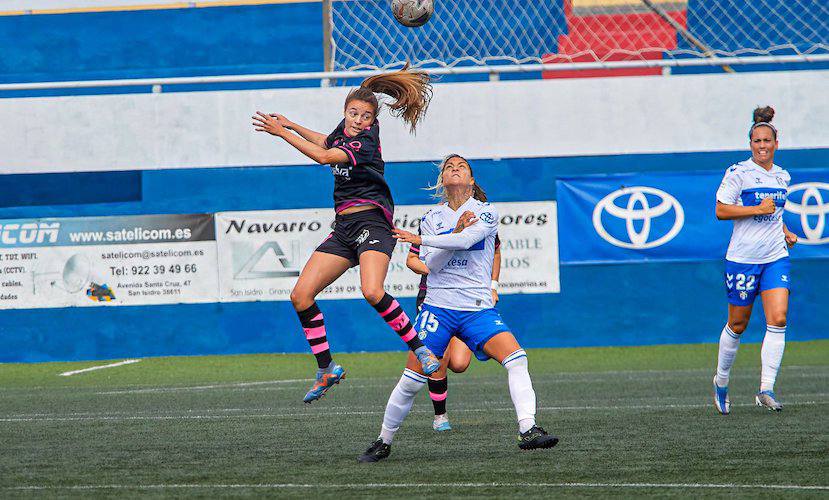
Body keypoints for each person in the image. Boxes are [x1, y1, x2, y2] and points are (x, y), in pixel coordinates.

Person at [251, 66, 440, 404]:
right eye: (353, 113)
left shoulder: (366, 141)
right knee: (301, 295)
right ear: (344, 112)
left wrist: (281, 133)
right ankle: (326, 369)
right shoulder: (344, 130)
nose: (357, 119)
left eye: (365, 116)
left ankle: (420, 349)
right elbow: (326, 141)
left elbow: (323, 156)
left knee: (371, 290)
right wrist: (291, 124)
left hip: (373, 222)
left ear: (372, 121)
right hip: (344, 230)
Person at [358, 154, 558, 462]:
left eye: (461, 166)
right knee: (412, 380)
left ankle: (528, 429)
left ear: (472, 180)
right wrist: (445, 235)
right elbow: (430, 265)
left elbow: (468, 241)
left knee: (516, 360)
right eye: (449, 167)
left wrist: (439, 237)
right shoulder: (431, 217)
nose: (454, 169)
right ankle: (383, 441)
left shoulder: (486, 212)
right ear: (443, 180)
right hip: (437, 307)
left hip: (476, 307)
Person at [712, 106, 798, 414]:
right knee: (738, 323)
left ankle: (766, 388)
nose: (762, 146)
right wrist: (755, 210)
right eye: (756, 141)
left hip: (775, 256)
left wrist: (786, 230)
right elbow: (721, 210)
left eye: (767, 141)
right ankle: (721, 381)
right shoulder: (739, 173)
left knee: (778, 319)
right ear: (750, 144)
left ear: (776, 143)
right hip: (743, 259)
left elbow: (774, 213)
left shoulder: (782, 176)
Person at [406, 174, 503, 432]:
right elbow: (412, 260)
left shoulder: (484, 219)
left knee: (459, 363)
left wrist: (492, 286)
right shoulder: (432, 219)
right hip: (434, 297)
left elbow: (495, 253)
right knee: (439, 358)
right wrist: (435, 269)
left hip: (468, 300)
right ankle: (440, 416)